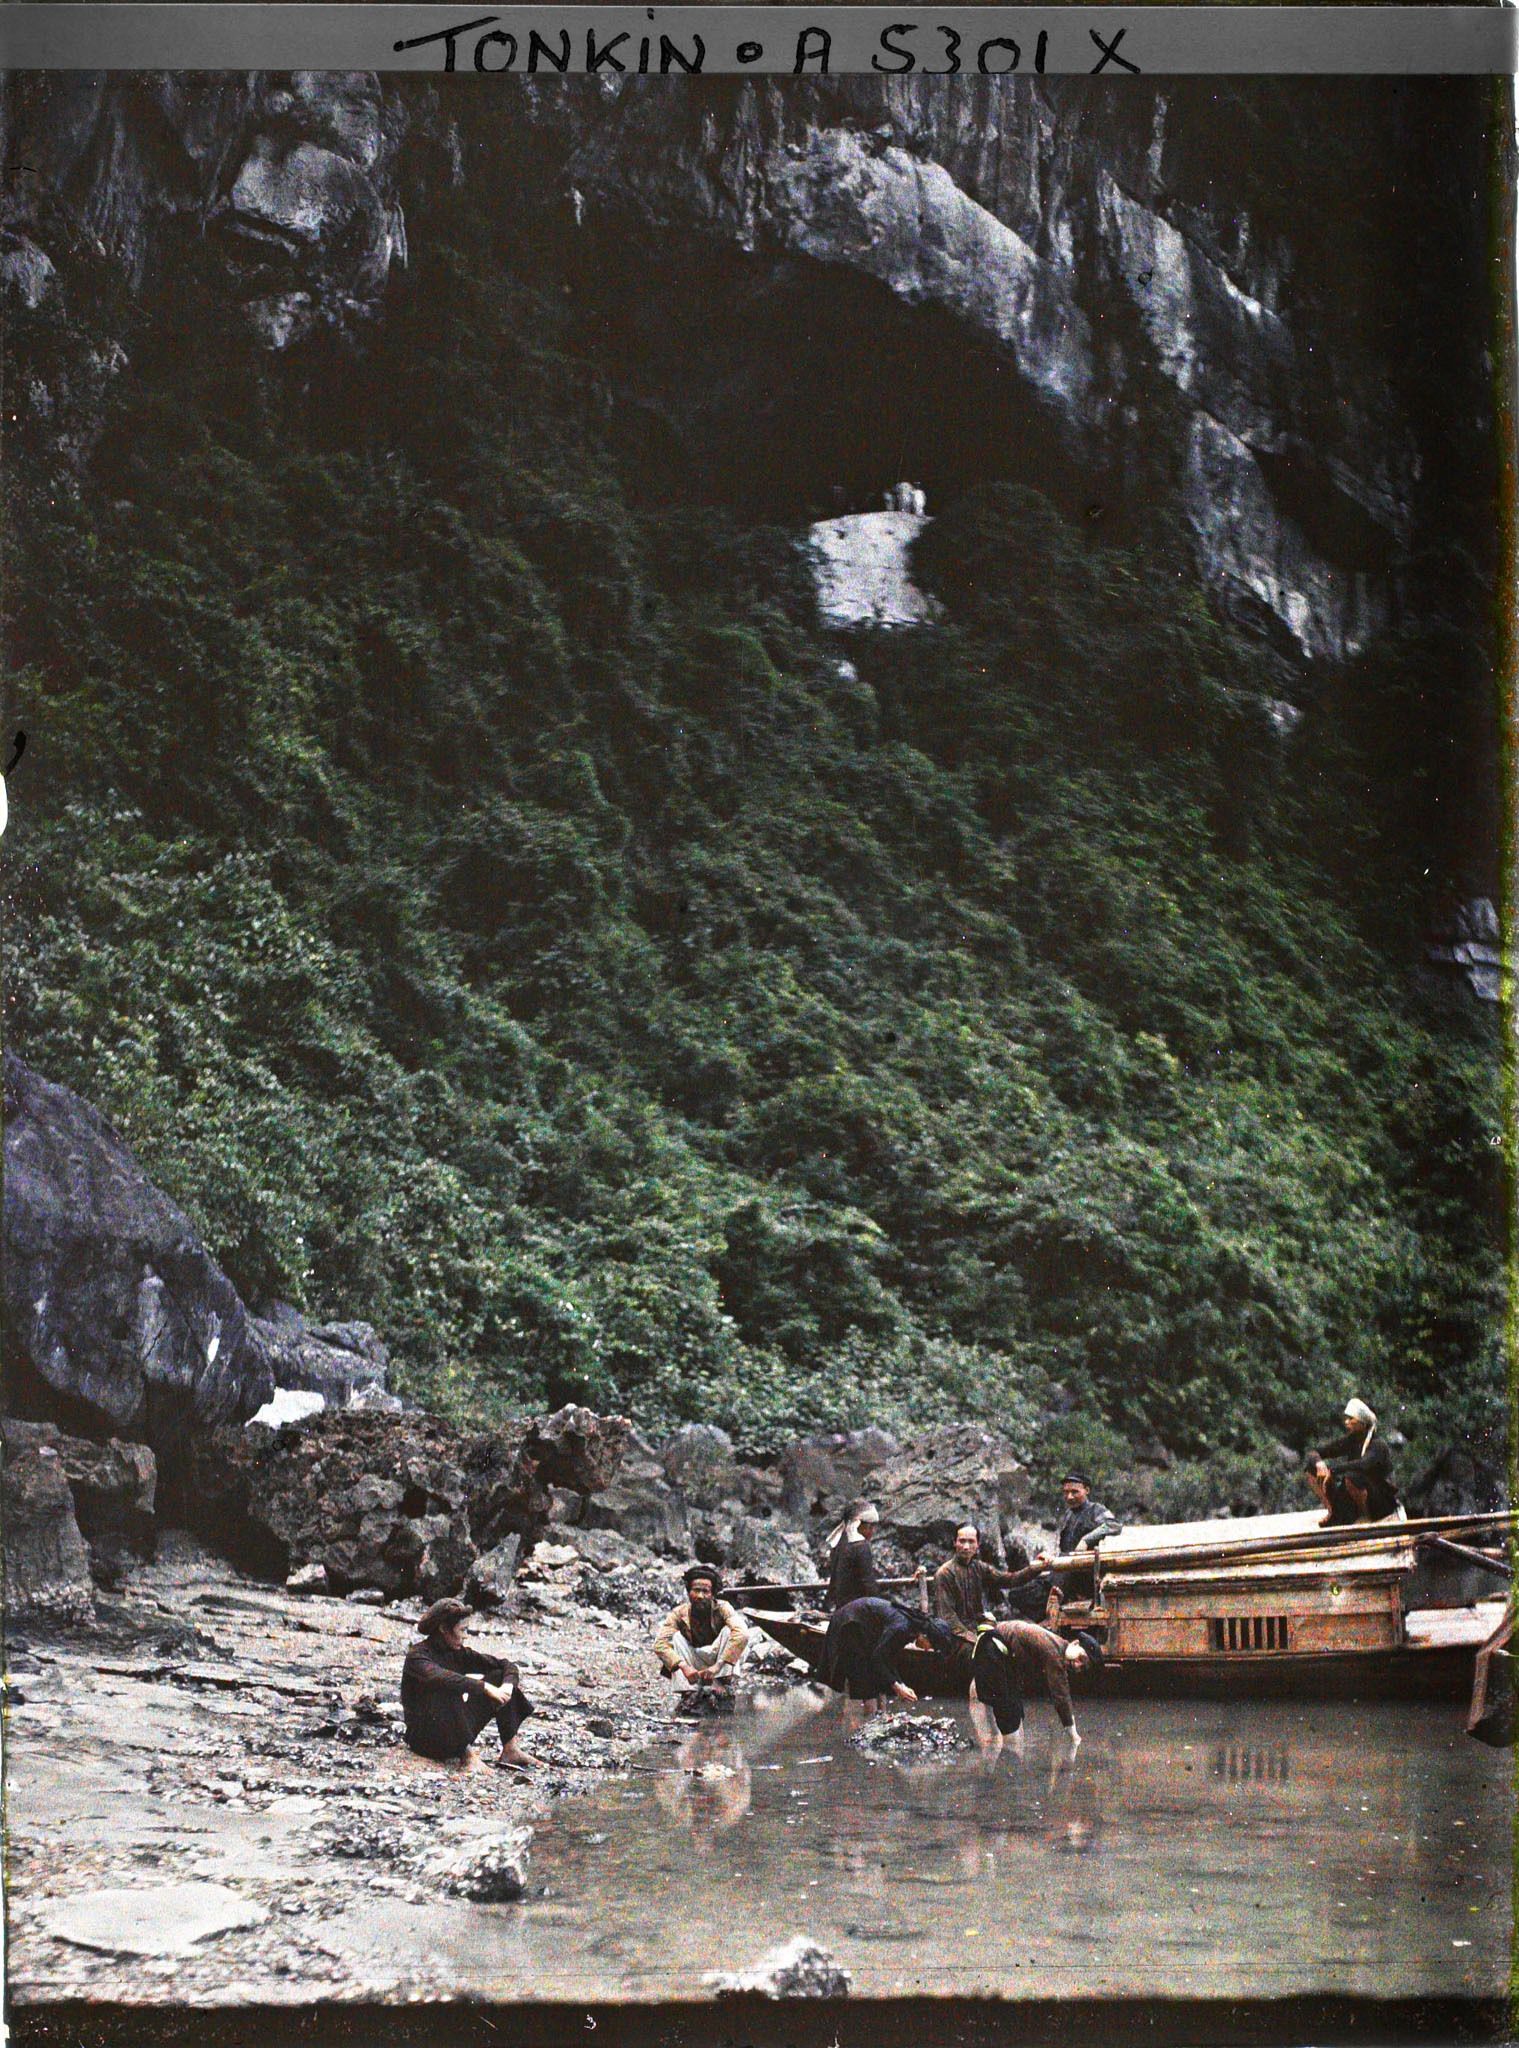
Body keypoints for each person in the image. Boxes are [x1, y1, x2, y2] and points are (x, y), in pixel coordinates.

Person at [400, 1597, 536, 1770]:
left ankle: (510, 1749)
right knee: (449, 1686)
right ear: (443, 1629)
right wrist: (484, 1687)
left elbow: (506, 1665)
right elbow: (440, 1677)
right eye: (462, 1630)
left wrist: (506, 1686)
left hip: (451, 1731)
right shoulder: (417, 1656)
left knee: (497, 1675)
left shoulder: (458, 1653)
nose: (465, 1636)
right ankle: (468, 1755)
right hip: (424, 1738)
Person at [969, 1619, 1103, 1750]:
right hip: (992, 1644)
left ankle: (1002, 1751)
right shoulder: (1053, 1650)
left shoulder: (1058, 1651)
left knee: (1015, 1717)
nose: (1077, 1665)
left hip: (1001, 1655)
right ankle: (998, 1751)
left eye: (1083, 1667)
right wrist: (1074, 1737)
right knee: (1007, 1720)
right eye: (1081, 1658)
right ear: (1075, 1643)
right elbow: (1061, 1694)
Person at [1016, 1474, 1123, 1622]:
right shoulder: (1068, 1515)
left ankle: (1051, 1614)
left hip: (1083, 1574)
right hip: (1064, 1571)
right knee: (1018, 1594)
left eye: (1074, 1492)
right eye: (1066, 1492)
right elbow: (1064, 1547)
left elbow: (1114, 1525)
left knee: (1043, 1592)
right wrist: (1050, 1557)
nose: (1069, 1497)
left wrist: (1087, 1539)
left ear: (1086, 1490)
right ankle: (1046, 1619)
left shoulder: (1095, 1510)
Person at [818, 1596, 955, 1708]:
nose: (926, 1649)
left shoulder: (911, 1628)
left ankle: (873, 1715)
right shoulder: (901, 1628)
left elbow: (889, 1657)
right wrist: (897, 1686)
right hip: (850, 1624)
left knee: (879, 1681)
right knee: (862, 1682)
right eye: (930, 1646)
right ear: (925, 1635)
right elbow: (878, 1658)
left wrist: (900, 1684)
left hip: (864, 1628)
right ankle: (858, 1718)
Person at [933, 1523, 1033, 1664]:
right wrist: (974, 1639)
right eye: (962, 1541)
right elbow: (948, 1617)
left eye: (971, 1541)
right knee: (985, 1656)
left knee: (1011, 1650)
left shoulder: (978, 1568)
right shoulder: (944, 1573)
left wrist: (1034, 1569)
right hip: (955, 1636)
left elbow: (1008, 1580)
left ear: (977, 1545)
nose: (966, 1547)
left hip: (978, 1629)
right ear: (954, 1543)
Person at [654, 1565, 750, 1696]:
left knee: (730, 1631)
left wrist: (717, 1666)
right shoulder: (679, 1613)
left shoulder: (723, 1608)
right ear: (689, 1592)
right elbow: (660, 1644)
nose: (700, 1596)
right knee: (676, 1637)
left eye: (705, 1591)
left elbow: (743, 1633)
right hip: (693, 1660)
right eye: (696, 1590)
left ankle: (723, 1683)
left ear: (712, 1594)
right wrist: (683, 1666)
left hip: (719, 1659)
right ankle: (688, 1691)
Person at [1307, 1398, 1401, 1525]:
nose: (1347, 1422)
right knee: (1311, 1468)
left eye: (1351, 1419)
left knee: (1353, 1477)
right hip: (1351, 1498)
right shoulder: (1351, 1440)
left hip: (1379, 1504)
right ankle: (1333, 1512)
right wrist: (1319, 1463)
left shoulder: (1378, 1445)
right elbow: (1315, 1452)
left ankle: (1365, 1517)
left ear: (1363, 1422)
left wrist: (1333, 1470)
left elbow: (1363, 1464)